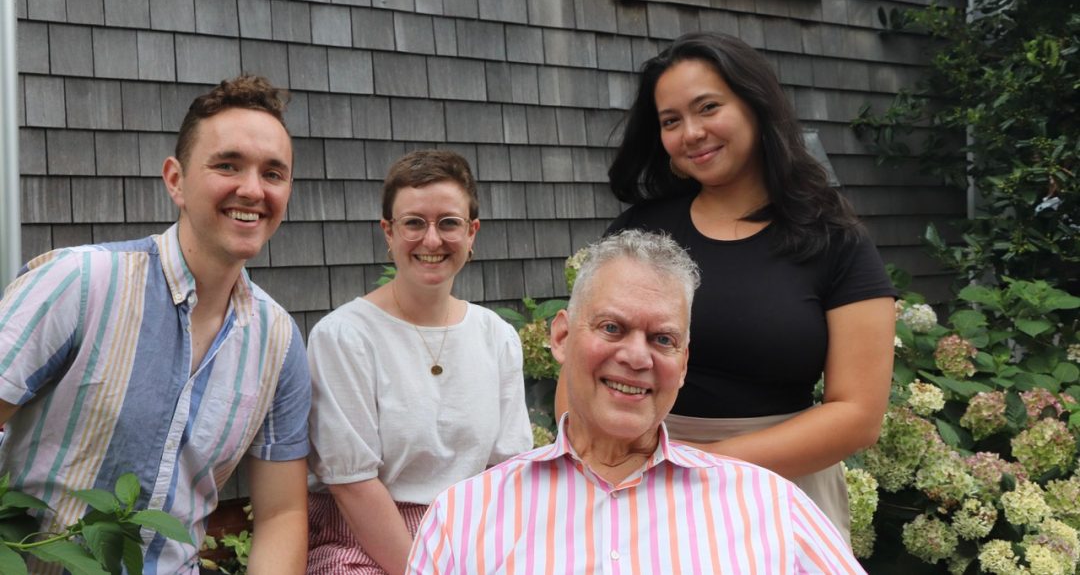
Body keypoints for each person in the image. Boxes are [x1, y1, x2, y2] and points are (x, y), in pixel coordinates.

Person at [557, 32, 896, 540]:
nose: (691, 133)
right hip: (634, 485)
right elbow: (581, 369)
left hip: (779, 487)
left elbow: (858, 415)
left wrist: (697, 466)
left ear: (755, 106)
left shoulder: (835, 240)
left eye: (708, 108)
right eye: (671, 121)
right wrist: (606, 458)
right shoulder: (640, 232)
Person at [407, 230, 866, 574]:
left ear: (683, 364)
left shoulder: (769, 507)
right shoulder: (466, 516)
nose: (636, 357)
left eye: (662, 339)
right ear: (561, 336)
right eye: (612, 328)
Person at [0, 75, 311, 573]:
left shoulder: (278, 342)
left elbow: (282, 514)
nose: (253, 189)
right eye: (227, 165)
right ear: (175, 180)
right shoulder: (78, 283)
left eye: (273, 173)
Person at [305, 149, 532, 575]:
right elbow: (352, 485)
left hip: (471, 537)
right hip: (364, 542)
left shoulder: (496, 336)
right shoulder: (345, 337)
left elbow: (509, 471)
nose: (431, 240)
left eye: (448, 223)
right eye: (413, 223)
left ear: (472, 233)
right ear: (388, 232)